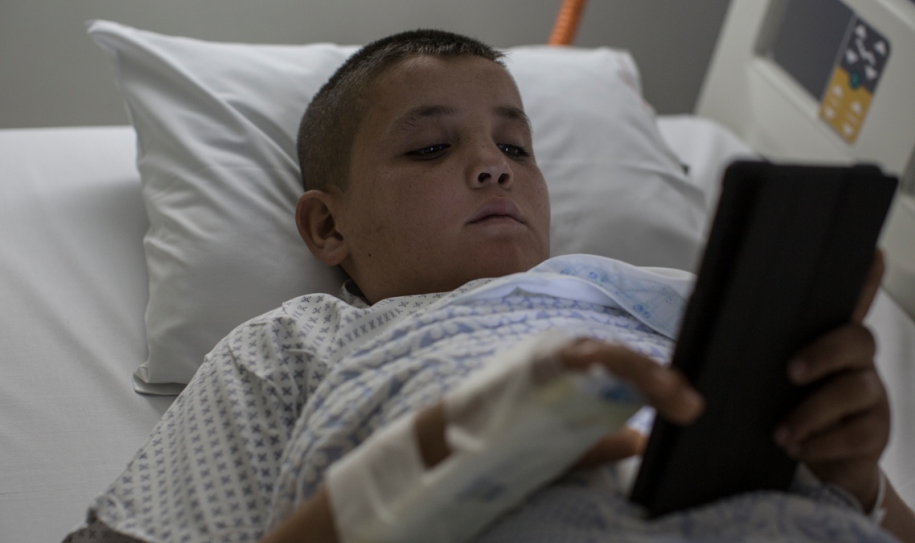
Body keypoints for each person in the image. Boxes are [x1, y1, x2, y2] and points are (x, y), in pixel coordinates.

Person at [65, 30, 915, 543]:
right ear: (328, 228)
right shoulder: (297, 342)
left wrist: (861, 477)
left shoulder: (664, 296)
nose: (490, 168)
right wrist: (410, 476)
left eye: (517, 148)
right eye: (430, 148)